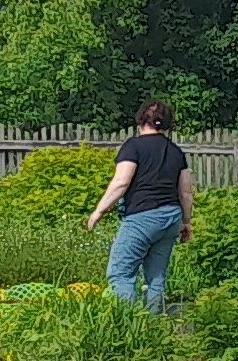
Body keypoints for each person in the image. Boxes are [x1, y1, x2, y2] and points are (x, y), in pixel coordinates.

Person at [83, 100, 193, 311]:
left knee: (121, 273)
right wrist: (186, 223)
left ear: (141, 120)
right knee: (156, 278)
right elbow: (186, 192)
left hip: (142, 216)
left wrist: (99, 210)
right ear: (167, 124)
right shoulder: (176, 151)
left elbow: (121, 182)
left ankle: (128, 325)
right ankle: (153, 327)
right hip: (171, 217)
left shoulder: (133, 147)